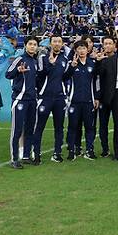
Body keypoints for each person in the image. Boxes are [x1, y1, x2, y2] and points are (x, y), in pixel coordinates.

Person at [33, 34, 70, 163]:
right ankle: (36, 154)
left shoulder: (65, 59)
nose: (57, 44)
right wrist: (51, 64)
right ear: (50, 43)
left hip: (60, 98)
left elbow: (64, 78)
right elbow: (41, 74)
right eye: (54, 41)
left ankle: (57, 153)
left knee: (59, 127)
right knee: (40, 126)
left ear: (62, 44)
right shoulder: (43, 57)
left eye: (59, 41)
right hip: (45, 97)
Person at [5, 36, 39, 169]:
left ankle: (26, 156)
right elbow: (8, 74)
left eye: (35, 44)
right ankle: (14, 159)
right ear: (25, 45)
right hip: (19, 100)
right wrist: (17, 71)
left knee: (30, 129)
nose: (32, 46)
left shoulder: (35, 61)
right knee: (17, 130)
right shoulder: (20, 59)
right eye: (30, 44)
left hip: (32, 100)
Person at [65, 41, 101, 161]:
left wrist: (96, 97)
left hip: (89, 101)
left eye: (83, 48)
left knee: (90, 127)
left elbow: (96, 82)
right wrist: (72, 67)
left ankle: (90, 150)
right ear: (75, 50)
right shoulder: (72, 64)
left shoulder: (93, 63)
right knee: (73, 126)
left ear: (87, 50)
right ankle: (72, 150)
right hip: (74, 101)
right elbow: (64, 78)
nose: (81, 51)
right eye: (79, 49)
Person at [95, 35, 117, 157]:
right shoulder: (100, 59)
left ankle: (116, 149)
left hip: (117, 96)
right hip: (103, 97)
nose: (108, 46)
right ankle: (105, 148)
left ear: (114, 45)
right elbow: (96, 77)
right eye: (106, 43)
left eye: (110, 43)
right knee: (103, 124)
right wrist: (98, 62)